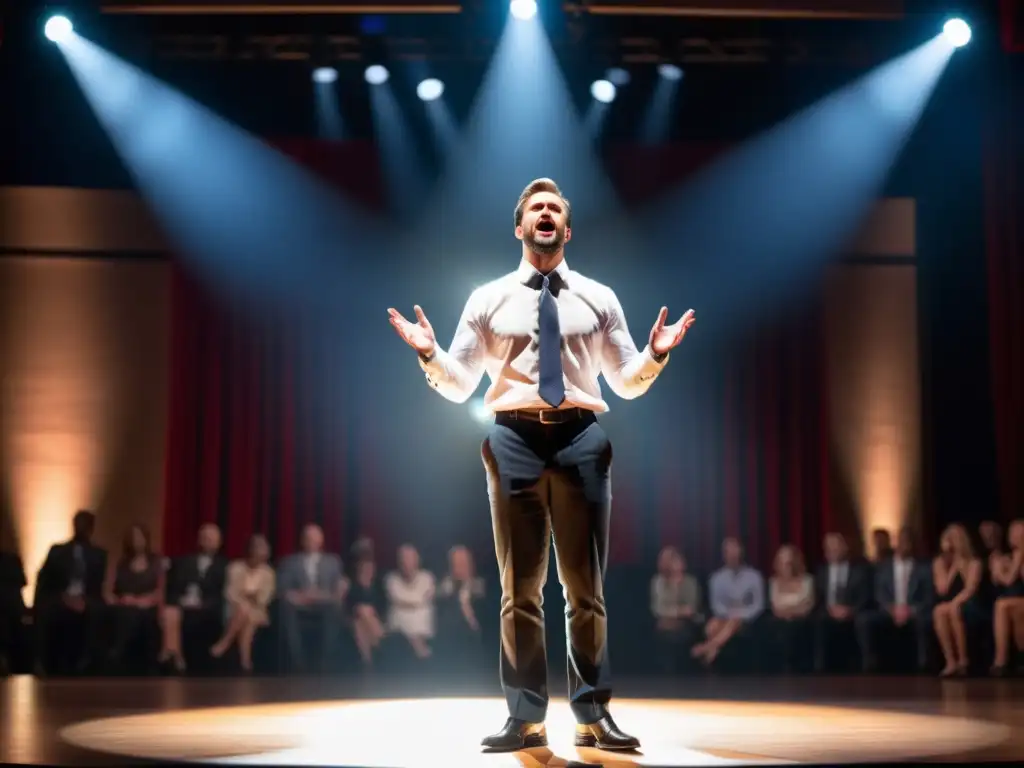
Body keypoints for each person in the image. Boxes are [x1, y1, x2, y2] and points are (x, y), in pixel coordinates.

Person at [388, 178, 695, 752]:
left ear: (567, 229)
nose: (546, 213)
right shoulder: (487, 298)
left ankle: (592, 715)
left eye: (555, 208)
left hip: (582, 438)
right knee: (519, 589)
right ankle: (526, 716)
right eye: (537, 209)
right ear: (521, 227)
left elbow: (626, 383)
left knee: (586, 588)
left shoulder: (599, 297)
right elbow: (460, 387)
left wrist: (656, 353)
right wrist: (430, 353)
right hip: (512, 441)